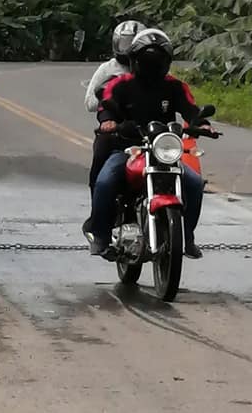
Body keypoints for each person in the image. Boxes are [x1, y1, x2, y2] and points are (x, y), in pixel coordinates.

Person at [87, 28, 206, 260]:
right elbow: (106, 104)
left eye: (158, 60)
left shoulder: (175, 87)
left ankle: (188, 238)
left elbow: (191, 109)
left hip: (163, 151)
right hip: (127, 148)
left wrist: (202, 124)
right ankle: (100, 236)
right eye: (147, 59)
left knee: (194, 183)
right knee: (104, 181)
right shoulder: (120, 84)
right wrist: (108, 121)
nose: (152, 65)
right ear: (134, 60)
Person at [84, 20, 145, 195]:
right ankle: (97, 204)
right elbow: (90, 103)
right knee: (100, 164)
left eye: (134, 44)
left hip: (148, 129)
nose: (129, 49)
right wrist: (109, 99)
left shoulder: (153, 67)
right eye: (125, 43)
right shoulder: (108, 69)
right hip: (115, 129)